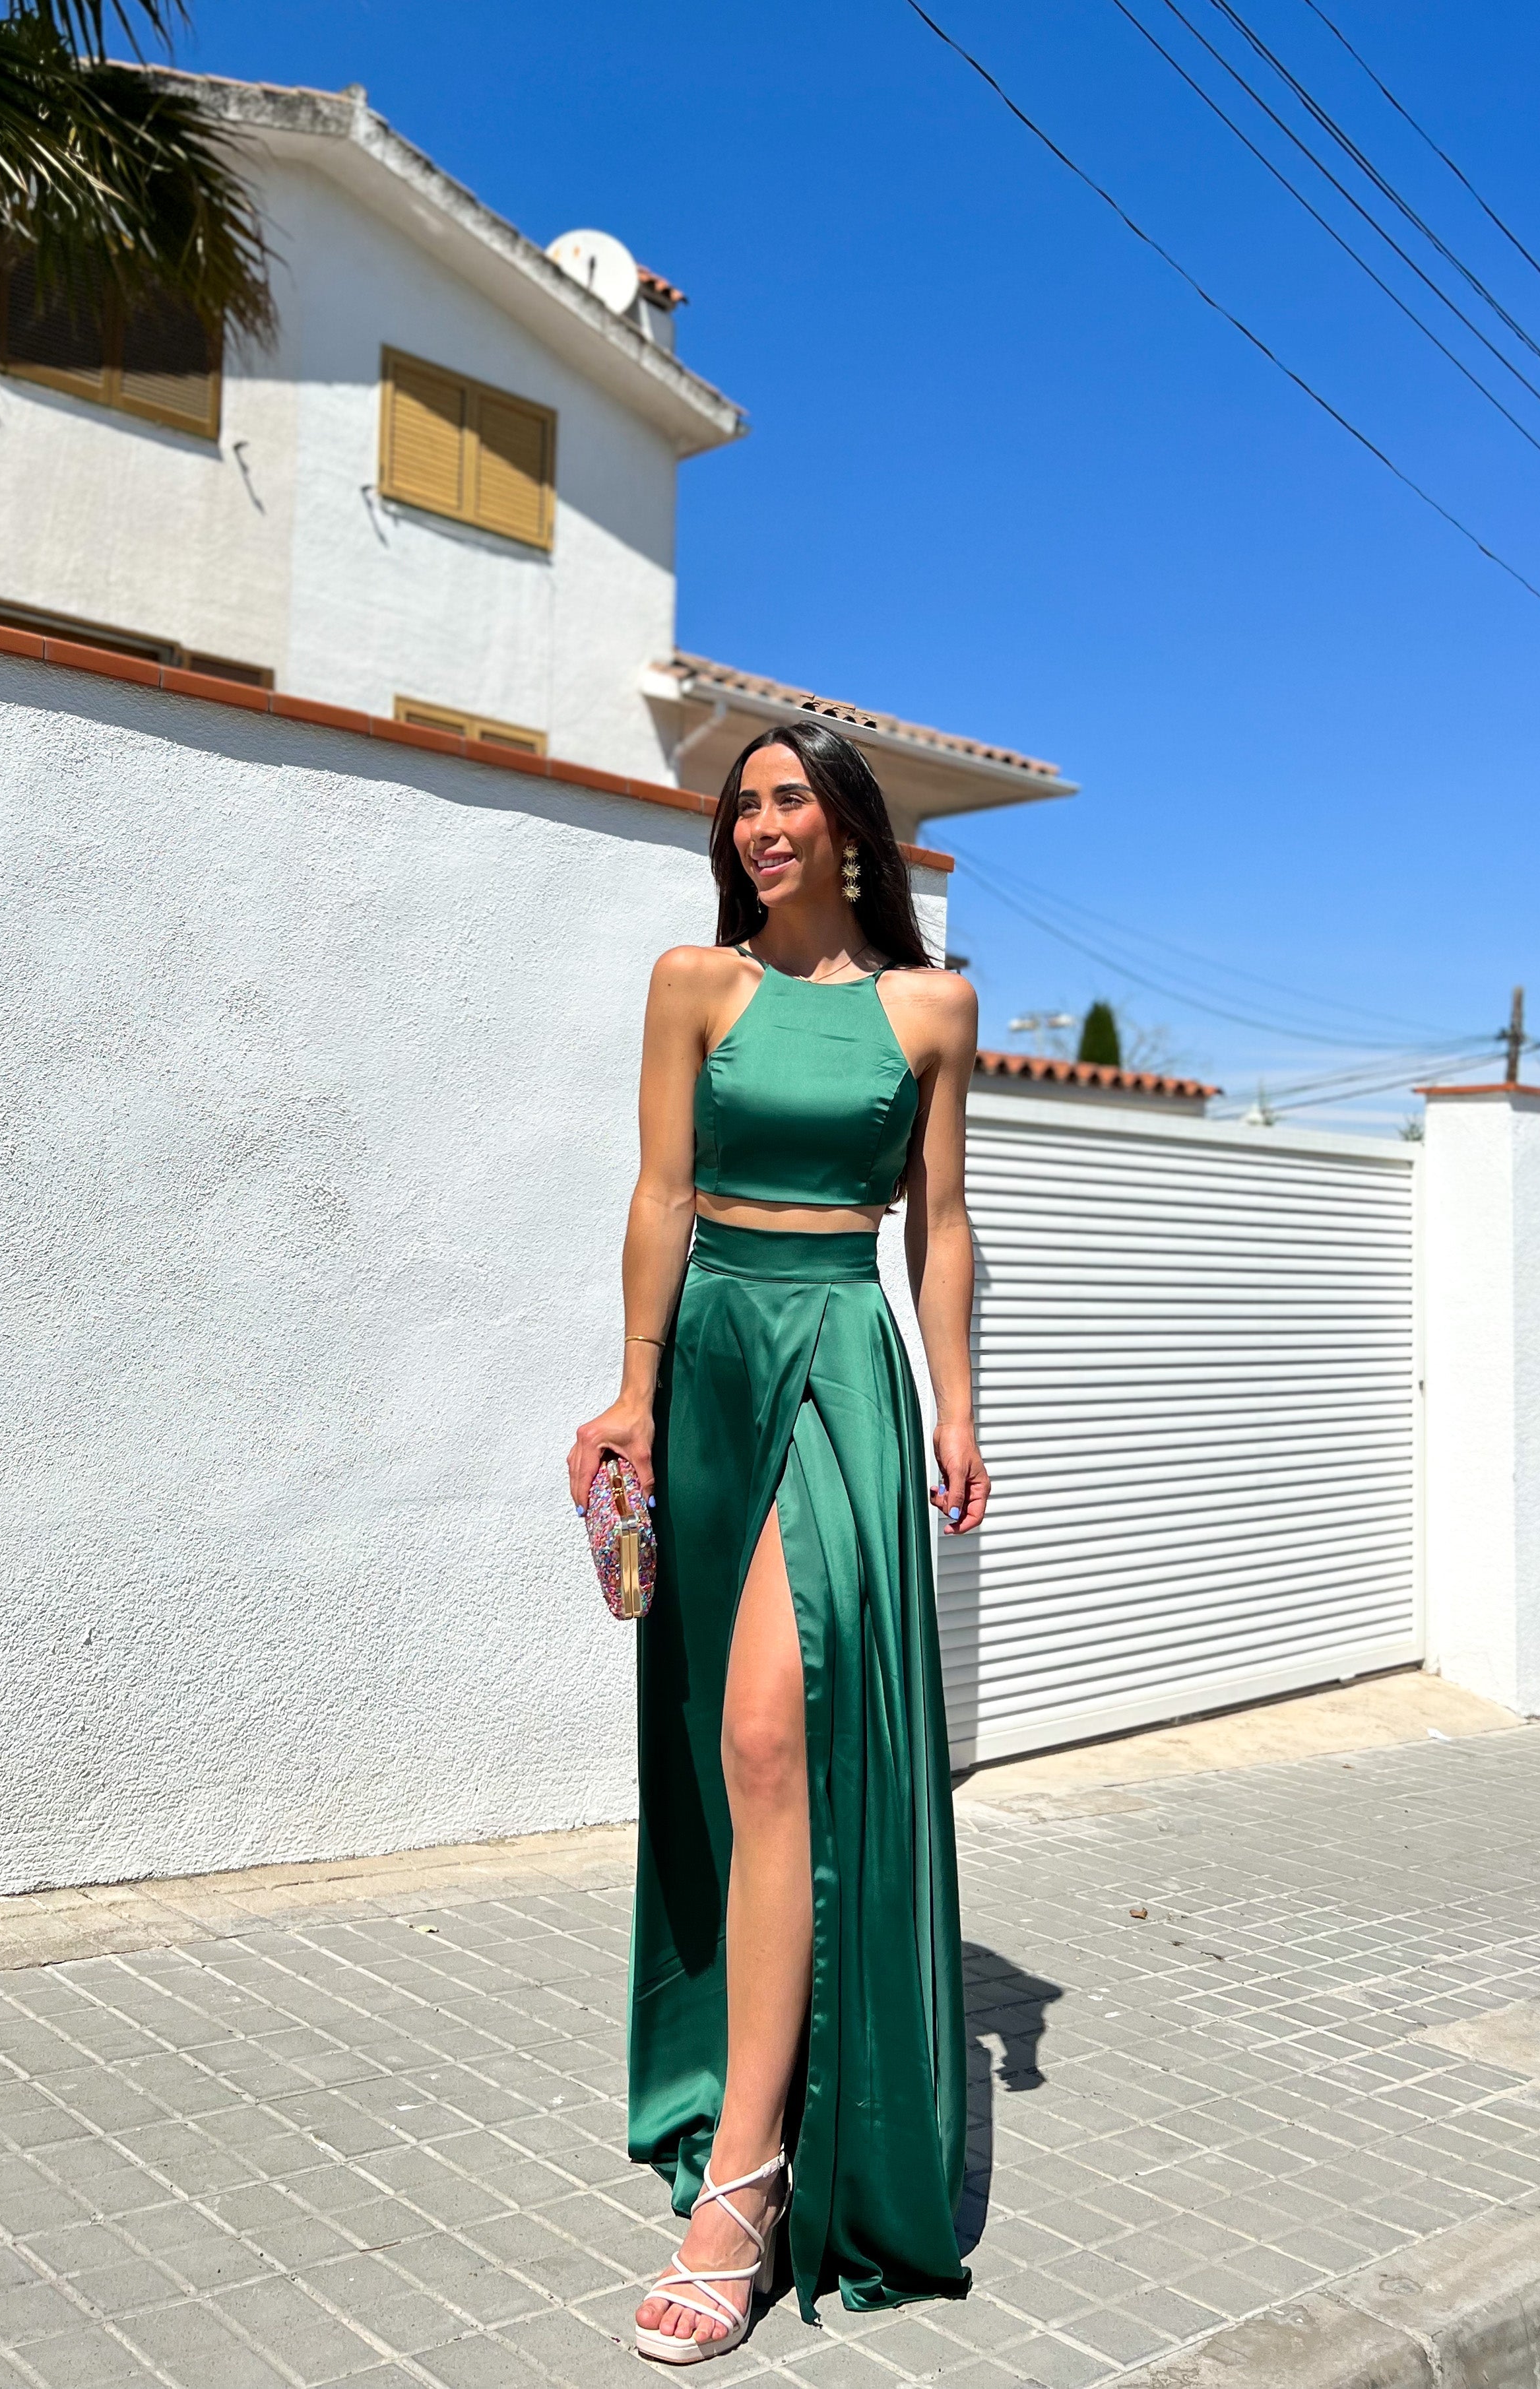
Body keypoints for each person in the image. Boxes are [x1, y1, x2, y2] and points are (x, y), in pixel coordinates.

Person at [567, 721, 991, 2363]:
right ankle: (749, 2086)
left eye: (787, 797)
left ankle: (740, 2186)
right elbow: (661, 1194)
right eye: (739, 803)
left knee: (768, 1734)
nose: (757, 822)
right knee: (727, 1754)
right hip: (715, 1362)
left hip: (841, 1358)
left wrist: (955, 1404)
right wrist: (633, 1390)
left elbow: (939, 1223)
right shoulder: (694, 983)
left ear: (850, 828)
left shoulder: (930, 1007)